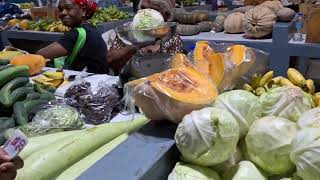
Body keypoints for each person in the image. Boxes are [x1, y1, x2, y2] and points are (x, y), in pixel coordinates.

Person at [103, 0, 183, 74]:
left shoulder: (171, 37)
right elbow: (110, 61)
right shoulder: (127, 33)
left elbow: (177, 69)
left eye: (153, 9)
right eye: (143, 8)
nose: (145, 14)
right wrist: (135, 46)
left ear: (166, 15)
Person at [37, 0, 110, 74]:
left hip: (91, 82)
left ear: (83, 11)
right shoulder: (91, 28)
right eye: (60, 9)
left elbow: (40, 55)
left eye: (68, 8)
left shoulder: (77, 33)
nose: (63, 13)